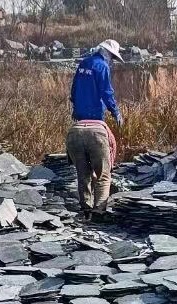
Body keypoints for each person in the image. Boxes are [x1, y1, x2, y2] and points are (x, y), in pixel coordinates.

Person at [66, 39, 122, 219]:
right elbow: (107, 92)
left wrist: (76, 108)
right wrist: (115, 112)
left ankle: (86, 210)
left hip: (76, 129)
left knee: (83, 175)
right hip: (96, 126)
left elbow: (74, 90)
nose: (112, 61)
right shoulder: (102, 66)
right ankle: (99, 211)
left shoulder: (84, 63)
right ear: (109, 54)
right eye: (113, 57)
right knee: (103, 175)